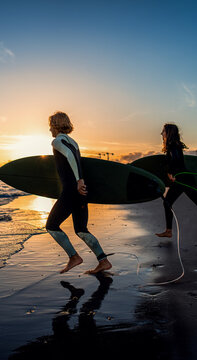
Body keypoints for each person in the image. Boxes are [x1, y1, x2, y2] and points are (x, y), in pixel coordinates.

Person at [46, 111, 112, 274]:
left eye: (50, 126)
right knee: (81, 229)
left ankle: (73, 257)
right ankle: (103, 261)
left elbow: (69, 157)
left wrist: (78, 181)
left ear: (55, 125)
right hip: (81, 191)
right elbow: (77, 161)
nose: (49, 130)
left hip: (71, 189)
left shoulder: (57, 141)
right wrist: (81, 181)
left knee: (52, 226)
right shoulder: (74, 142)